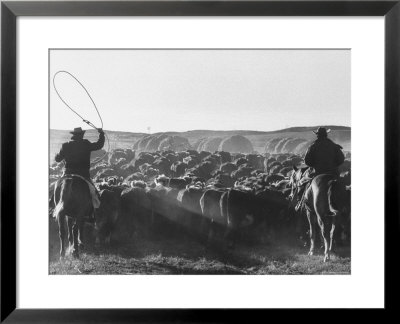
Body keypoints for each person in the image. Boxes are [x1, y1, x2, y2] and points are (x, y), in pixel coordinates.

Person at [51, 127, 105, 220]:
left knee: (56, 187)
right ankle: (94, 213)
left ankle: (52, 206)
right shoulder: (86, 144)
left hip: (68, 173)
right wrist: (101, 134)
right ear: (82, 135)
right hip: (83, 174)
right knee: (94, 193)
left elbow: (58, 159)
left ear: (73, 136)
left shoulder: (65, 145)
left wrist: (57, 155)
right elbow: (99, 145)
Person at [295, 127, 345, 211]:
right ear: (326, 135)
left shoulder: (312, 146)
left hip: (317, 173)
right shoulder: (334, 146)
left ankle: (301, 203)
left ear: (317, 135)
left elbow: (307, 162)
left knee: (301, 182)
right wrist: (334, 165)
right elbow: (341, 159)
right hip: (333, 173)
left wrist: (315, 165)